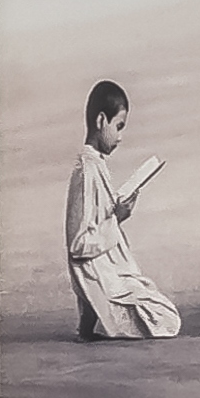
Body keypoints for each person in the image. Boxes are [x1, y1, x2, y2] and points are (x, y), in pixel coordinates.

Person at [61, 77, 179, 341]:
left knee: (159, 309)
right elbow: (78, 244)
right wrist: (116, 219)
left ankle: (95, 317)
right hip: (98, 274)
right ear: (101, 121)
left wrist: (117, 209)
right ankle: (96, 314)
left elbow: (97, 218)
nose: (121, 137)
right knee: (166, 318)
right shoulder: (86, 169)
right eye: (119, 126)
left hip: (108, 270)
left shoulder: (96, 164)